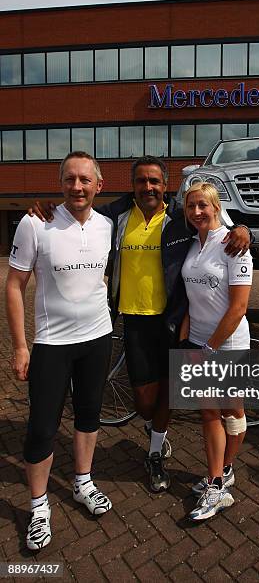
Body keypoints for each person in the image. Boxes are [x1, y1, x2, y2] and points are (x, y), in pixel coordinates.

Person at [29, 155, 251, 493]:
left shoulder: (181, 216)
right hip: (133, 321)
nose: (148, 187)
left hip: (173, 323)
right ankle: (155, 433)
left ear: (165, 185)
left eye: (154, 181)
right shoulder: (114, 216)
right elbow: (77, 210)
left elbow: (218, 220)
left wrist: (243, 229)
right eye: (141, 181)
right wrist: (44, 207)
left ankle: (155, 453)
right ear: (132, 185)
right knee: (144, 400)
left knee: (171, 395)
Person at [6, 151, 113, 551]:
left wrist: (235, 223)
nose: (77, 186)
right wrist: (20, 345)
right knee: (41, 429)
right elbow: (14, 286)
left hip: (98, 337)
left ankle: (83, 482)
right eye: (69, 179)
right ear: (60, 183)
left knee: (88, 416)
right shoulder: (36, 223)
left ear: (98, 185)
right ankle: (38, 507)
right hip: (52, 344)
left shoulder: (107, 225)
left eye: (85, 179)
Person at [179, 182, 253, 521]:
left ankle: (220, 478)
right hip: (197, 342)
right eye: (191, 206)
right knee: (208, 413)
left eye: (203, 206)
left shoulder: (234, 245)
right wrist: (188, 344)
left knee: (232, 412)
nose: (197, 212)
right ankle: (218, 478)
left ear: (216, 207)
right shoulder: (194, 244)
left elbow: (238, 308)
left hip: (227, 344)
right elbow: (192, 301)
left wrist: (209, 348)